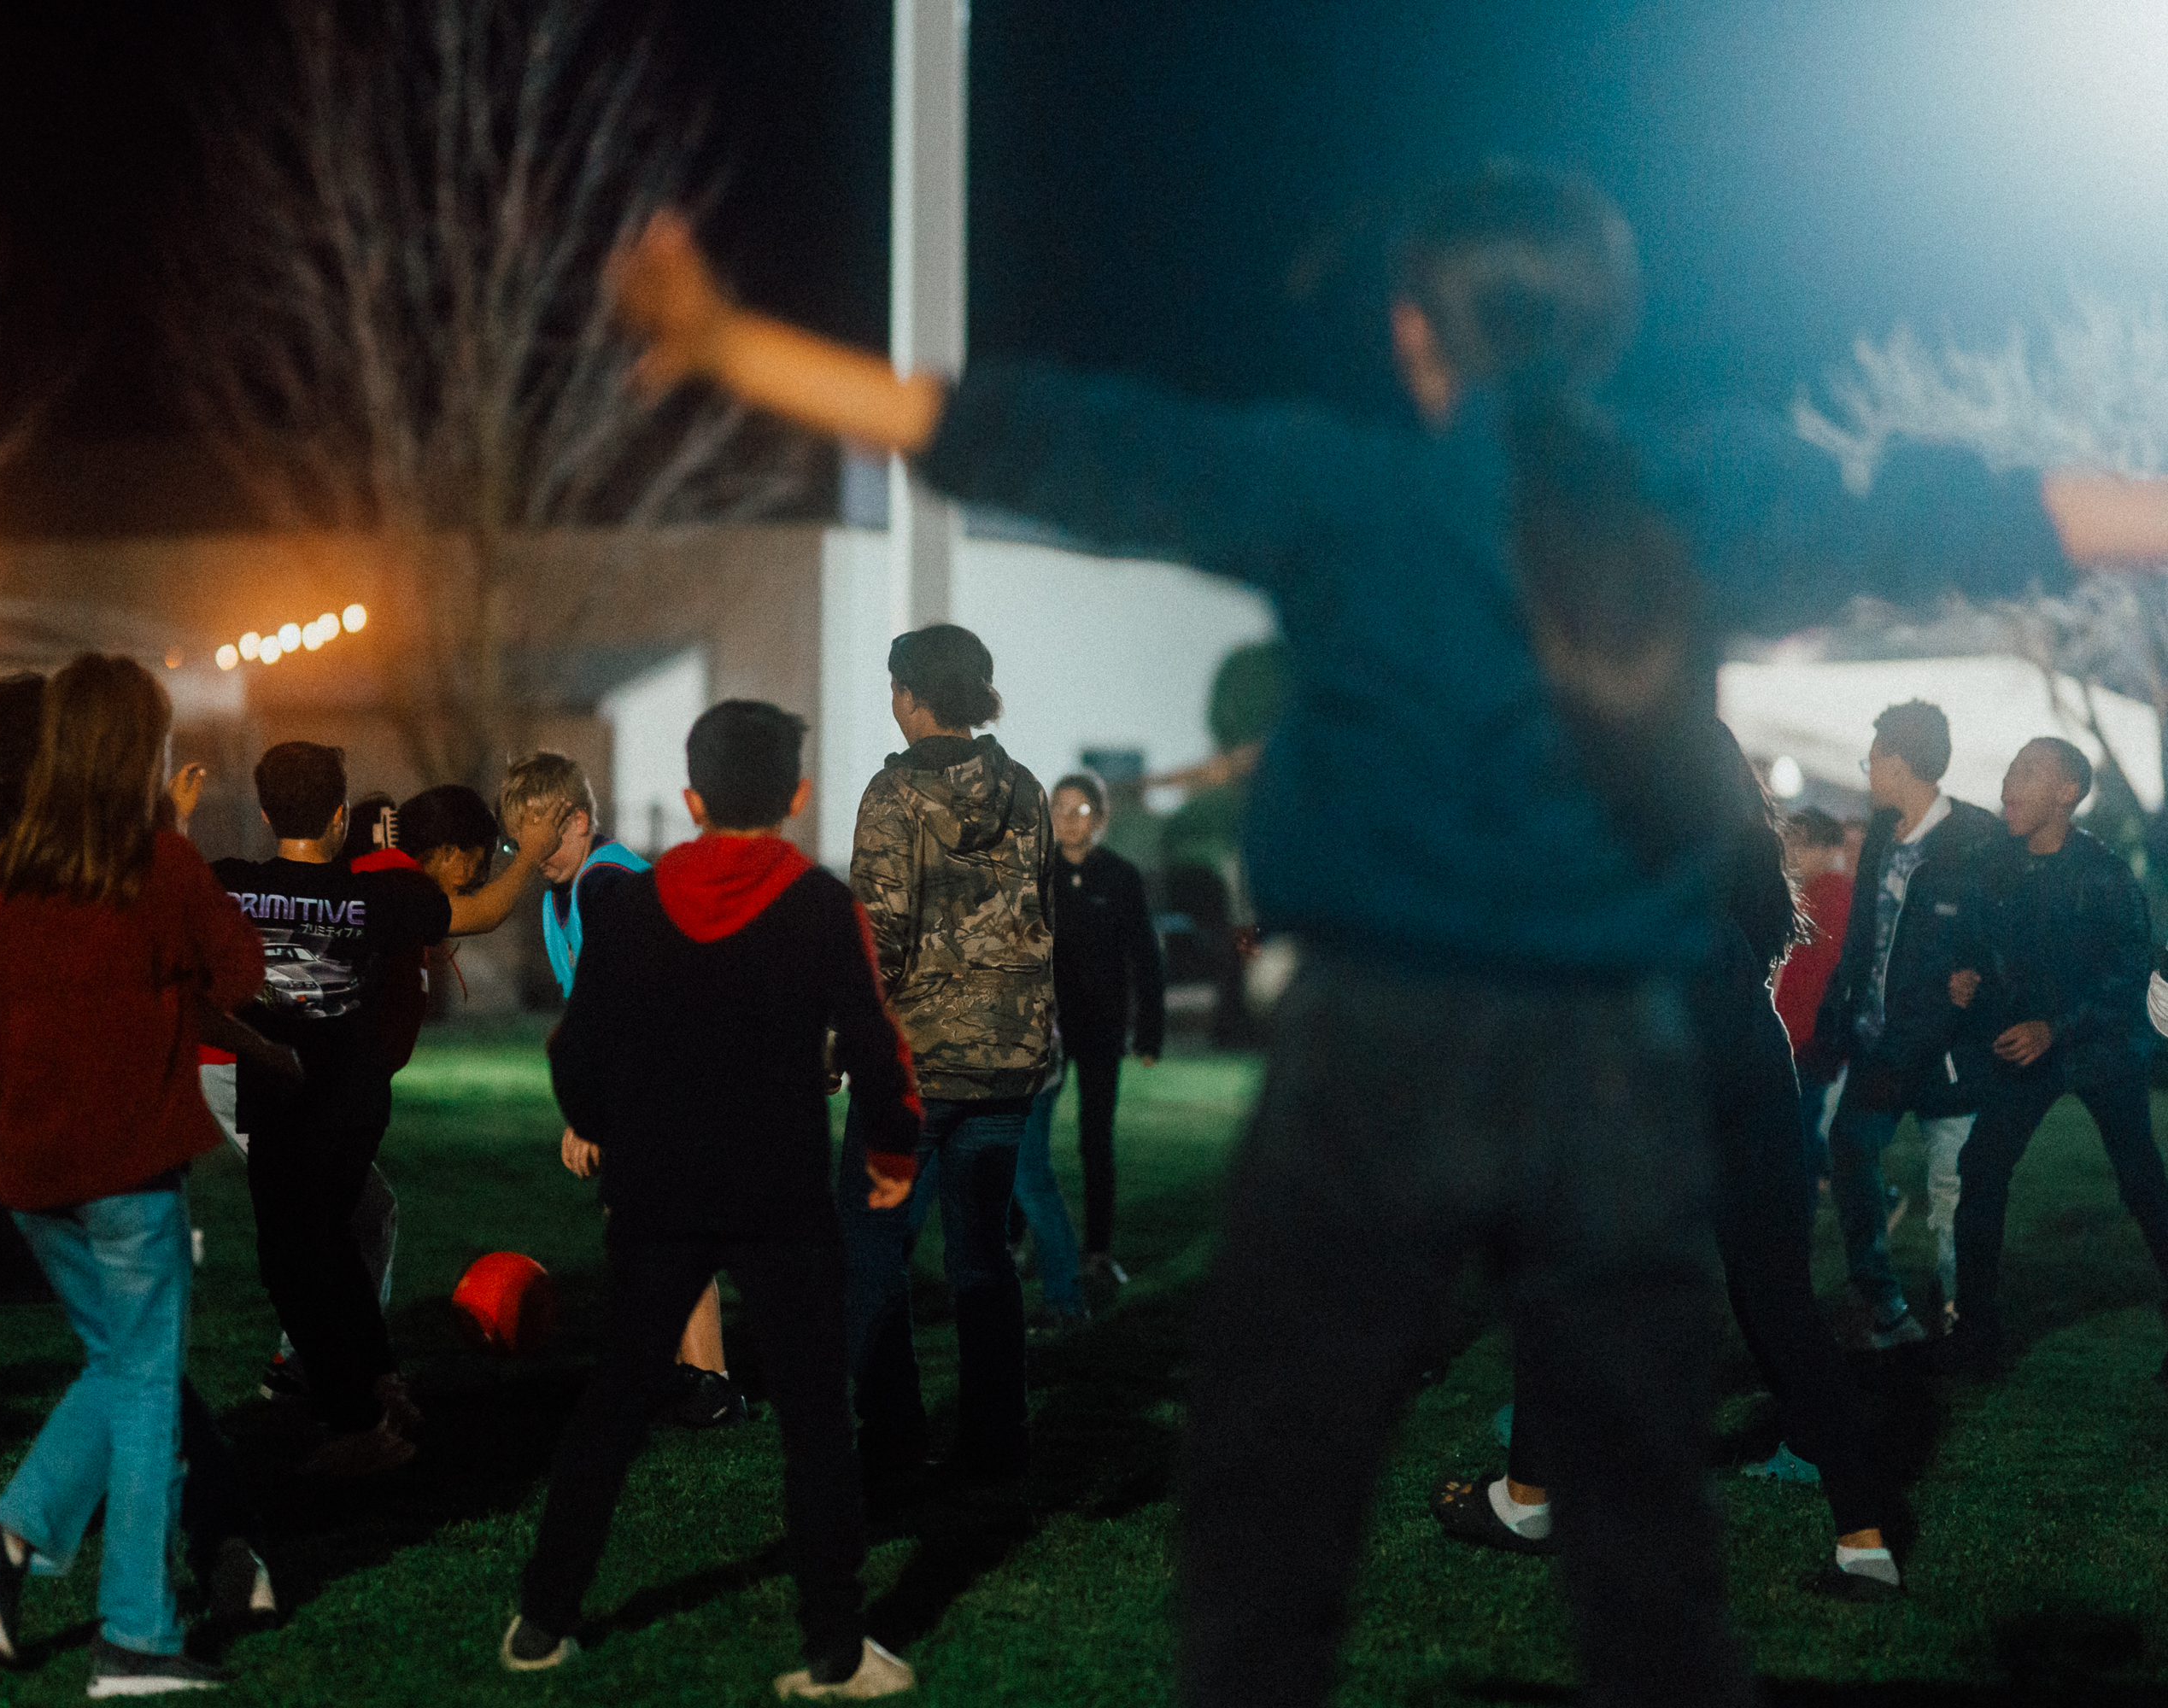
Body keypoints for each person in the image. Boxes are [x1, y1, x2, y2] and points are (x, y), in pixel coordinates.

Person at [608, 161, 2168, 1706]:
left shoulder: (1345, 488)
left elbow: (1050, 440)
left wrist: (732, 341)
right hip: (1613, 1068)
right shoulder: (1693, 497)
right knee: (1646, 1557)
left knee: (1270, 1527)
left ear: (1415, 325)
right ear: (1605, 328)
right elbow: (1969, 518)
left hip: (1375, 1059)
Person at [502, 700, 923, 1697]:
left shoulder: (632, 905)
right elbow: (875, 1044)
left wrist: (600, 1118)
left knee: (613, 1403)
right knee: (815, 1420)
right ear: (797, 794)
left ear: (691, 800)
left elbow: (576, 1049)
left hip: (659, 1187)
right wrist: (893, 1150)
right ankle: (835, 1648)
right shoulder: (820, 904)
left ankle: (542, 1620)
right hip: (780, 1190)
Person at [1433, 723, 1904, 1602]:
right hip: (1751, 1068)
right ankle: (1866, 1541)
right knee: (1779, 1304)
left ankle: (1528, 1501)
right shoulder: (1737, 857)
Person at [0, 677, 270, 1625]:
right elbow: (218, 971)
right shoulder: (94, 872)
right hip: (79, 1156)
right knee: (141, 1360)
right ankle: (215, 1552)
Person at [215, 743, 560, 1476]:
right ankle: (379, 1390)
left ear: (266, 813)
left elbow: (153, 894)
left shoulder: (233, 886)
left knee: (295, 1266)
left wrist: (173, 817)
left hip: (279, 1099)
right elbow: (482, 912)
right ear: (340, 817)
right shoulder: (378, 896)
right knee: (334, 1251)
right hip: (353, 1103)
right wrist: (528, 855)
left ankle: (358, 1423)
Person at [840, 623, 1052, 1486]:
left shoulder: (892, 796)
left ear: (914, 695)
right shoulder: (1026, 789)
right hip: (1005, 1062)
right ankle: (996, 1444)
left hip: (915, 1067)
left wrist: (843, 1041)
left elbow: (875, 940)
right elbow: (1039, 922)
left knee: (871, 1253)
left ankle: (893, 1444)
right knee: (982, 1257)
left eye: (896, 687)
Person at [501, 751, 746, 1430]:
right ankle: (688, 1375)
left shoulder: (605, 886)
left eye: (541, 840)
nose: (532, 857)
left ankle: (710, 1382)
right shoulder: (566, 892)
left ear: (579, 822)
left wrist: (594, 1115)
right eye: (517, 844)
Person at [1944, 737, 2168, 1379]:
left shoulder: (2105, 874)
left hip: (2102, 1049)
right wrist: (1966, 973)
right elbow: (1976, 942)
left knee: (2141, 1181)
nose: (2009, 782)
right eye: (2010, 768)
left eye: (2028, 772)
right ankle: (1976, 1336)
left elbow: (2128, 975)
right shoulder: (1994, 866)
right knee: (1982, 1167)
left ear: (2068, 793)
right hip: (2028, 1048)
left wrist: (2057, 1027)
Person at [1809, 701, 2005, 1346]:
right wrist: (1837, 1014)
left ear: (1896, 762)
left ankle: (1960, 1312)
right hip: (1880, 1046)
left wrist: (1980, 977)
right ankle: (1884, 1307)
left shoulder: (1975, 837)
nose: (1867, 772)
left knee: (1953, 1187)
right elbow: (1863, 936)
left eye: (1871, 760)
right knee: (1850, 1151)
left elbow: (2007, 933)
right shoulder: (1881, 834)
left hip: (1946, 1048)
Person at [1013, 771, 1164, 1327]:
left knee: (1096, 1138)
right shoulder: (1036, 872)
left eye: (1080, 811)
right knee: (1027, 1140)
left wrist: (1149, 1031)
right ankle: (1017, 1240)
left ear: (1099, 819)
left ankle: (1097, 1251)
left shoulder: (1120, 876)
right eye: (1060, 809)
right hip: (1046, 1029)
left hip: (1101, 1028)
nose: (1068, 820)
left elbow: (1145, 957)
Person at [1778, 808, 1854, 1199]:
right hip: (1804, 1037)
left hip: (1806, 1038)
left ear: (1827, 849)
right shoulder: (1822, 892)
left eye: (1799, 845)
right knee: (1799, 1134)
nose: (1791, 854)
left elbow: (1822, 968)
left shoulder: (1830, 893)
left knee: (1797, 1138)